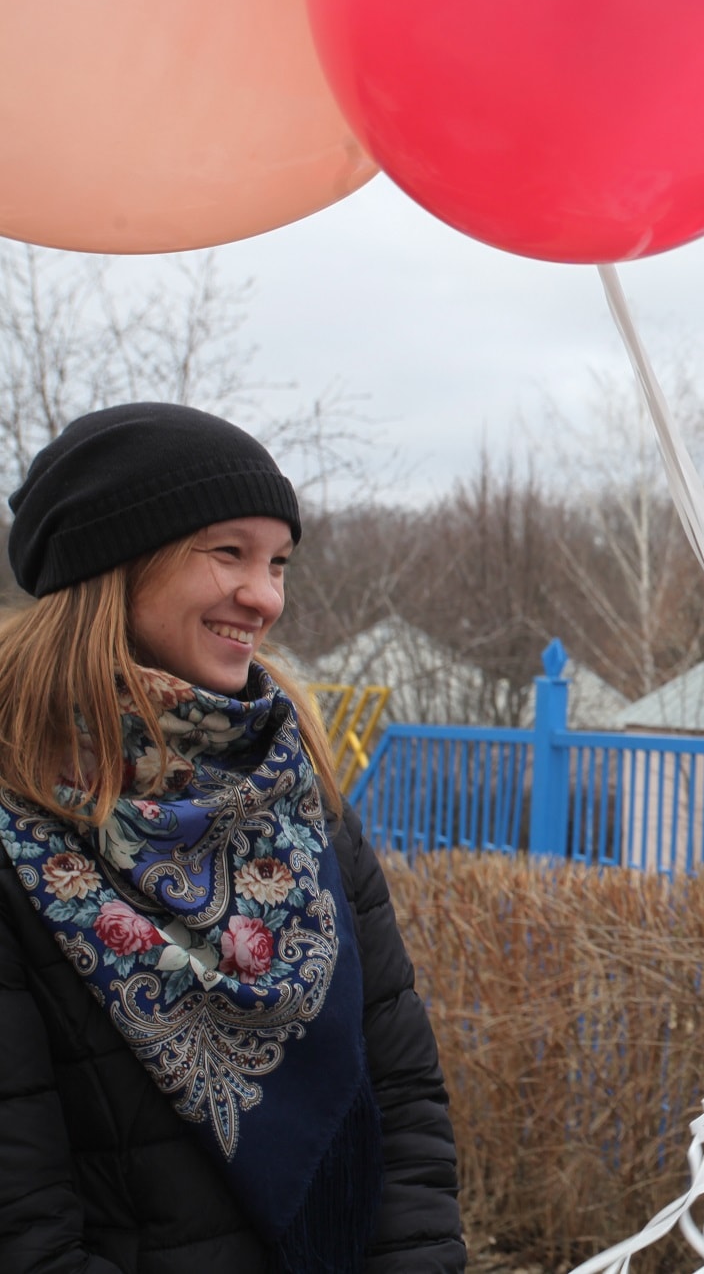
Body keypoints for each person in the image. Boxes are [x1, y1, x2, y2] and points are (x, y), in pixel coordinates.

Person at [0, 403, 465, 1273]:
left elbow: (403, 1105)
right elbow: (22, 1222)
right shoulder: (15, 825)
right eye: (229, 553)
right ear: (115, 560)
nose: (266, 596)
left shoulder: (297, 793)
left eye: (279, 562)